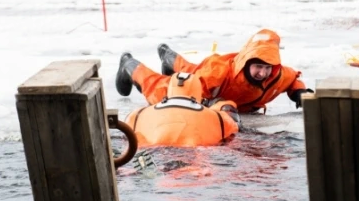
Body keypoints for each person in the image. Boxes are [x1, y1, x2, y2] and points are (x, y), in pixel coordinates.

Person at [117, 28, 312, 113]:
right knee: (163, 89)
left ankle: (168, 56)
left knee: (190, 70)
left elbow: (293, 78)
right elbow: (184, 95)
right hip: (213, 73)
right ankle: (129, 65)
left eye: (266, 68)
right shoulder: (217, 74)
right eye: (258, 67)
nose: (262, 73)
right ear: (246, 64)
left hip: (224, 95)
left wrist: (300, 93)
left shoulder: (278, 76)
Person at [124, 72, 240, 148]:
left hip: (152, 154)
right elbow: (231, 118)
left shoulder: (138, 115)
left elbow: (125, 131)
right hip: (196, 157)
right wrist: (218, 104)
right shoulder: (218, 119)